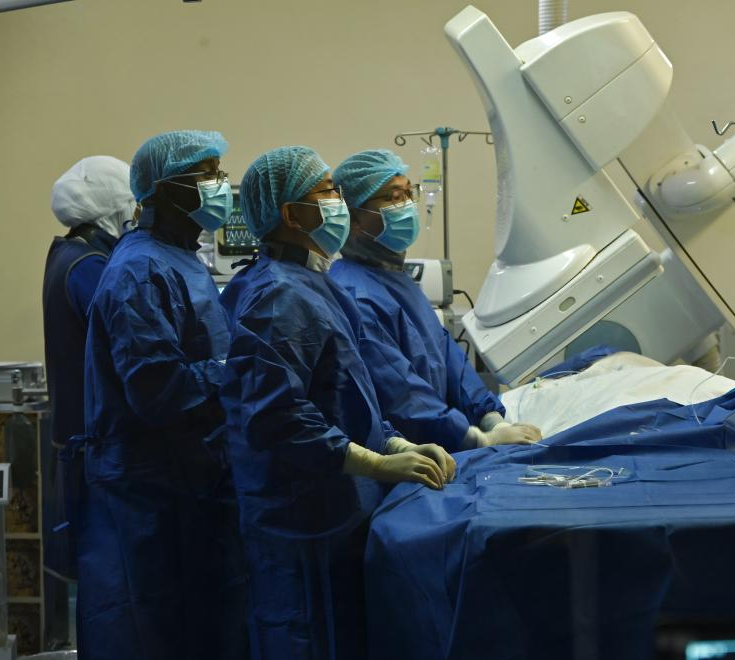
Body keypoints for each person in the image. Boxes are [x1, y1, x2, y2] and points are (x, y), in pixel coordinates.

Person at [220, 145, 455, 660]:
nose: (339, 202)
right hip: (302, 519)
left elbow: (349, 390)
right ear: (291, 214)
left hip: (337, 510)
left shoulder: (314, 284)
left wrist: (392, 442)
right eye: (327, 191)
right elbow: (277, 416)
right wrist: (373, 462)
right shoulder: (277, 296)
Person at [78, 130, 248, 659]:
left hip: (191, 481)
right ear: (165, 189)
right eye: (207, 175)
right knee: (158, 632)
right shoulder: (138, 271)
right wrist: (237, 370)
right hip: (153, 489)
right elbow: (158, 391)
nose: (220, 186)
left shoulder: (181, 258)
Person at [329, 149, 542, 451]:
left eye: (409, 193)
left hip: (442, 440)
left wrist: (490, 418)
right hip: (412, 456)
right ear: (355, 219)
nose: (406, 205)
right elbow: (400, 394)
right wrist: (473, 438)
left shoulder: (395, 277)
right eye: (394, 197)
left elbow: (445, 354)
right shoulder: (354, 295)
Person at [42, 157, 135, 646]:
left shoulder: (65, 254)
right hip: (98, 455)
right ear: (112, 205)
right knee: (112, 597)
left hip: (84, 449)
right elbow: (130, 346)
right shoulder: (89, 268)